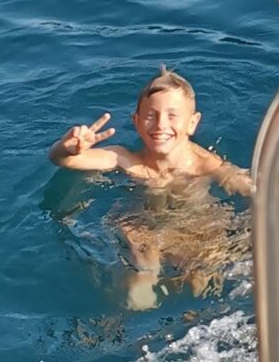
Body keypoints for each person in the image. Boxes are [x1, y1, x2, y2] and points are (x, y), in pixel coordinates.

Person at [51, 69, 252, 306]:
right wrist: (67, 148)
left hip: (194, 228)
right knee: (137, 296)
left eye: (172, 115)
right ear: (136, 122)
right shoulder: (125, 159)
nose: (160, 125)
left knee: (201, 283)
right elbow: (64, 161)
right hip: (141, 229)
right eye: (150, 115)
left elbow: (255, 192)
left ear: (192, 123)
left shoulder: (206, 165)